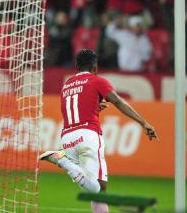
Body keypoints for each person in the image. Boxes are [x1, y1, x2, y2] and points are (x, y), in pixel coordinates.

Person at [39, 49, 158, 213]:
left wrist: (94, 107)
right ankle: (62, 160)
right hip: (88, 135)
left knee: (96, 191)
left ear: (76, 66)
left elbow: (74, 109)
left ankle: (64, 160)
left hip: (67, 136)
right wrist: (143, 123)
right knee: (98, 190)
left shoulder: (67, 85)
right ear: (95, 67)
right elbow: (118, 101)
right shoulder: (97, 81)